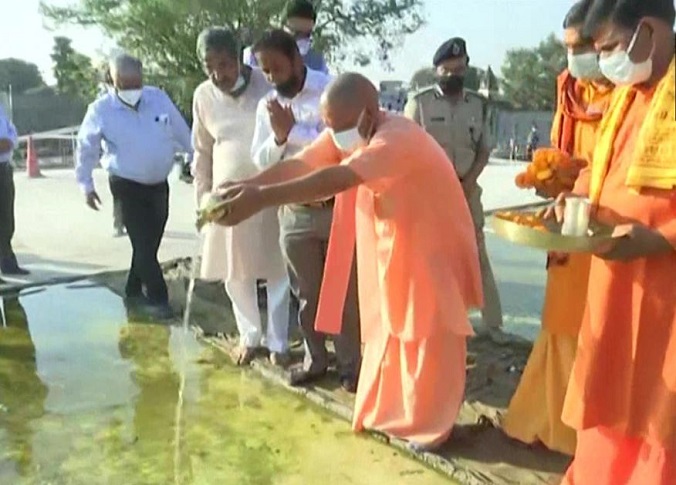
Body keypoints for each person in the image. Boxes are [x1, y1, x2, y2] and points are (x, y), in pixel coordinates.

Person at [214, 72, 483, 449]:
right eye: (329, 126)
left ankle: (432, 425)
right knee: (391, 326)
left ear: (370, 113)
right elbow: (305, 164)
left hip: (434, 242)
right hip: (397, 240)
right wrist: (248, 187)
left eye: (340, 126)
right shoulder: (349, 128)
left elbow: (337, 178)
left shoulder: (396, 138)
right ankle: (396, 411)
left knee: (429, 332)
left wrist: (260, 200)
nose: (335, 135)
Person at [550, 0, 676, 483]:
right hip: (613, 285)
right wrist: (574, 201)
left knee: (658, 415)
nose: (603, 63)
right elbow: (602, 169)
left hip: (666, 294)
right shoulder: (627, 95)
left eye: (610, 49)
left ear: (648, 31)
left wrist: (661, 239)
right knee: (604, 399)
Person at [502, 0, 614, 456]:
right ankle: (549, 423)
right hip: (572, 227)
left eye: (582, 46)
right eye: (568, 47)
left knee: (604, 330)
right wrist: (551, 176)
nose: (575, 57)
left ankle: (595, 435)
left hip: (615, 230)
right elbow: (562, 151)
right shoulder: (569, 89)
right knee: (561, 324)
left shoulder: (636, 91)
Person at [250, 29, 360, 388]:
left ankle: (350, 366)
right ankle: (316, 360)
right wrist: (279, 137)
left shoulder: (332, 91)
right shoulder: (267, 105)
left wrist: (293, 131)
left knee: (342, 293)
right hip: (294, 211)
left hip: (337, 207)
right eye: (265, 71)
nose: (272, 78)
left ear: (297, 60)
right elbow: (260, 160)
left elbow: (344, 147)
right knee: (307, 293)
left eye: (277, 68)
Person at [192, 27, 290, 367]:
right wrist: (202, 197)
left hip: (270, 190)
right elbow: (201, 150)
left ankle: (278, 342)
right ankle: (250, 336)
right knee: (235, 272)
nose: (218, 74)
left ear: (239, 58)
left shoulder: (268, 86)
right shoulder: (203, 95)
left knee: (277, 269)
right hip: (225, 199)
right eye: (209, 66)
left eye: (224, 63)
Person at [76, 53, 193, 320]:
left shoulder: (157, 99)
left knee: (150, 244)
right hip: (126, 185)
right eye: (124, 84)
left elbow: (181, 131)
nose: (131, 90)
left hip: (158, 184)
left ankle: (132, 289)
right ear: (112, 81)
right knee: (141, 243)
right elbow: (86, 148)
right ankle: (159, 299)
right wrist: (86, 184)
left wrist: (196, 159)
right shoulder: (101, 110)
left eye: (135, 83)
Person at [404, 37, 503, 337]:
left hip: (467, 192)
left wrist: (468, 182)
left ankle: (492, 324)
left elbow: (484, 149)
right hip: (431, 196)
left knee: (476, 255)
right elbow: (409, 150)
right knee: (430, 258)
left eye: (459, 70)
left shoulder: (478, 104)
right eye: (447, 71)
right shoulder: (419, 103)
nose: (454, 76)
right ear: (436, 72)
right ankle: (433, 320)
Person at [243, 0, 329, 74]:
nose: (301, 40)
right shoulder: (254, 56)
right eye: (297, 33)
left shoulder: (318, 62)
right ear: (282, 27)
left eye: (307, 35)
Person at [0, 107, 29, 275]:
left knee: (6, 220)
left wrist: (10, 141)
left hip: (4, 168)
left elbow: (11, 131)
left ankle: (7, 263)